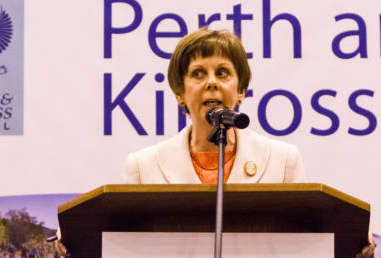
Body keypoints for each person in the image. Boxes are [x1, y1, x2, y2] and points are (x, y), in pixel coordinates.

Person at [121, 28, 307, 184]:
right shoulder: (143, 168)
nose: (211, 82)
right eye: (198, 74)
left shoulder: (283, 162)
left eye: (222, 72)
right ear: (180, 93)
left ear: (241, 90)